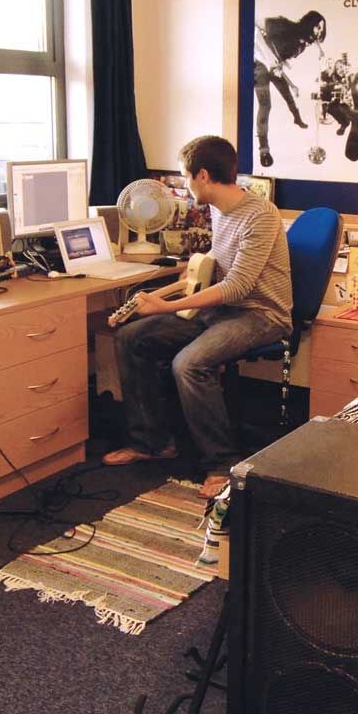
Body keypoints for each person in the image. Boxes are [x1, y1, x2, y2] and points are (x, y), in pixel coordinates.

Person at [105, 136, 292, 497]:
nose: (186, 186)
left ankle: (221, 464)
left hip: (261, 315)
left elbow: (238, 287)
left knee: (189, 364)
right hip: (221, 311)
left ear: (203, 175)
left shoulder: (261, 215)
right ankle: (151, 442)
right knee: (132, 337)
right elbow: (217, 267)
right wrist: (173, 288)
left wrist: (164, 306)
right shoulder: (219, 209)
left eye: (186, 177)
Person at [250, 10, 325, 168]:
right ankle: (264, 150)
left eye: (321, 29)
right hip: (259, 67)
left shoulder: (302, 45)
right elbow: (253, 26)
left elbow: (280, 58)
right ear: (309, 23)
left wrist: (286, 70)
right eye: (318, 27)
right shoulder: (285, 25)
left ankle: (297, 119)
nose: (320, 31)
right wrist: (268, 57)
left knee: (288, 95)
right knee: (266, 106)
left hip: (275, 68)